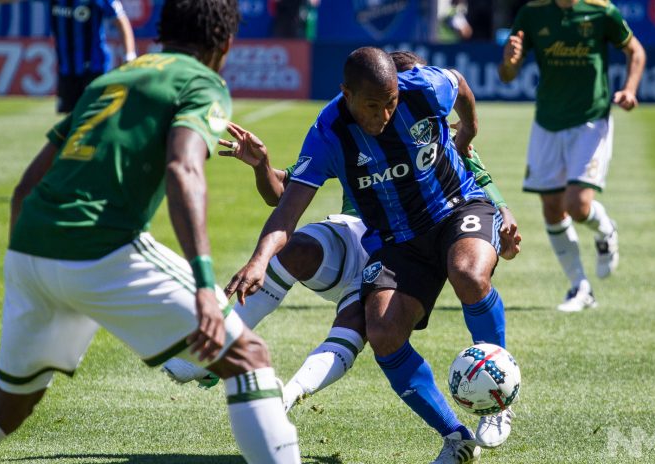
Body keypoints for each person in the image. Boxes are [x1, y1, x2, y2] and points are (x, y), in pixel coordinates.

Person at [0, 1, 300, 462]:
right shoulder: (201, 80)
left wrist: (30, 269)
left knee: (8, 408)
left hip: (30, 248)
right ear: (225, 44)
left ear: (161, 33)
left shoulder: (109, 81)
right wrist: (206, 286)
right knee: (248, 359)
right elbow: (183, 167)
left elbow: (24, 189)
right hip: (99, 247)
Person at [165, 52, 521, 423]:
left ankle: (287, 397)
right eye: (373, 105)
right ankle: (214, 353)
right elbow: (285, 204)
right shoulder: (331, 132)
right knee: (329, 283)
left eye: (392, 102)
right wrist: (262, 183)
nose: (384, 115)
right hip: (376, 238)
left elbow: (471, 135)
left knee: (430, 291)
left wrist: (473, 140)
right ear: (347, 95)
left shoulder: (426, 98)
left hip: (423, 228)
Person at [498, 0, 646, 311]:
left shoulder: (601, 11)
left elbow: (636, 51)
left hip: (590, 120)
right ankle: (580, 288)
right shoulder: (532, 12)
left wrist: (630, 89)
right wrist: (510, 61)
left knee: (577, 206)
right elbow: (508, 75)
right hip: (547, 121)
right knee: (552, 208)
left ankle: (606, 229)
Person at [0, 0, 137, 113]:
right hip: (67, 69)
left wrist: (130, 55)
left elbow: (121, 21)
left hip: (95, 69)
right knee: (70, 120)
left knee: (94, 118)